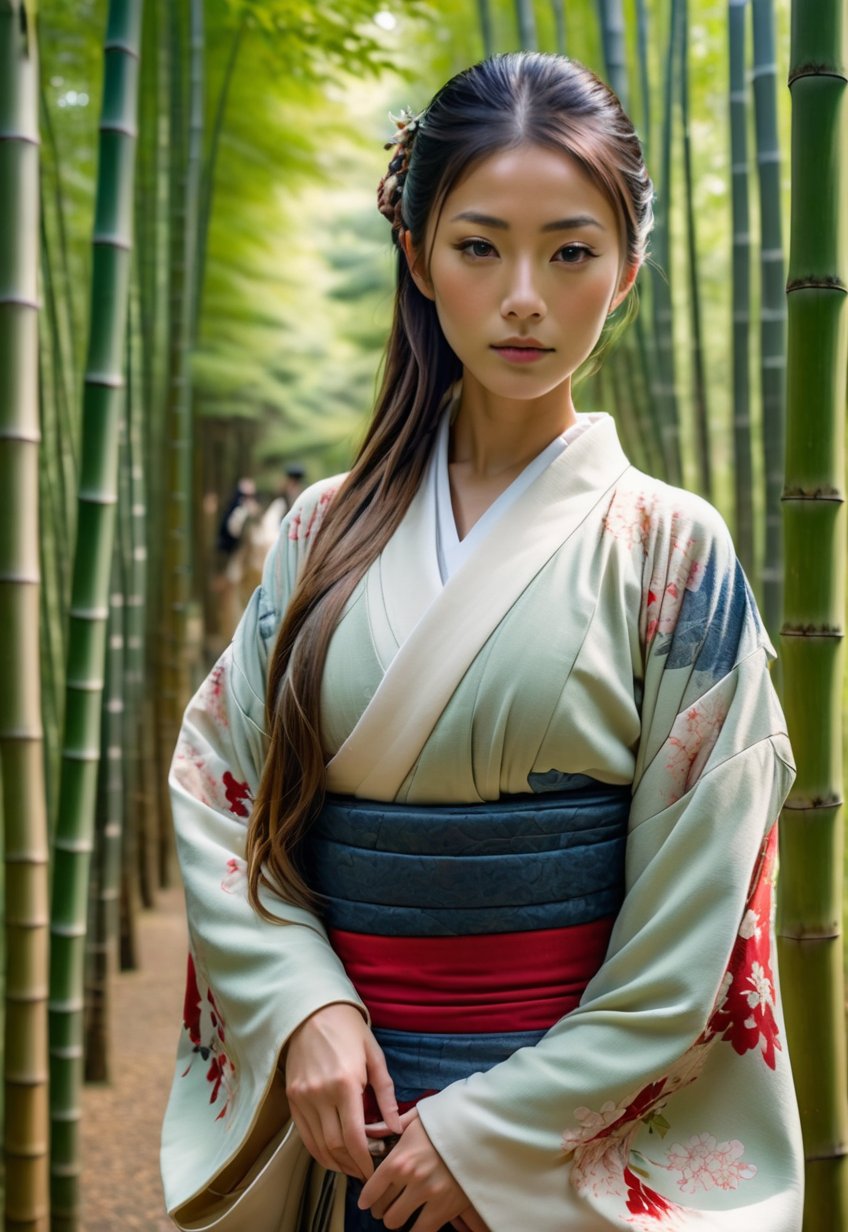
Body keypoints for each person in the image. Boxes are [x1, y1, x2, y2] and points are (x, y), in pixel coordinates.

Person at [161, 51, 804, 1232]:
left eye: (568, 251)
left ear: (624, 271)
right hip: (346, 1114)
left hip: (568, 1131)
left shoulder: (672, 548)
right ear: (416, 256)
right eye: (477, 246)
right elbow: (220, 791)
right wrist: (304, 1007)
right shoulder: (317, 533)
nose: (522, 295)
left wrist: (492, 1129)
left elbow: (697, 918)